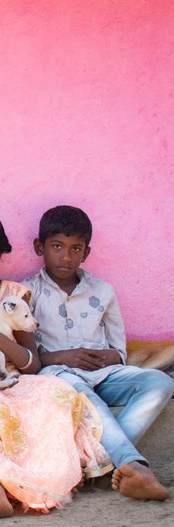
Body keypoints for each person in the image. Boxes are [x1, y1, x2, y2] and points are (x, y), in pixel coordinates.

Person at [0, 207, 112, 516]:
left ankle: (22, 486)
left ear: (0, 253)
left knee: (54, 392)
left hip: (19, 381)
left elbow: (33, 363)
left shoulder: (15, 293)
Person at [24, 205, 174, 501]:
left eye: (75, 248)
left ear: (86, 252)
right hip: (60, 376)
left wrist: (110, 357)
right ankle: (133, 464)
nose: (66, 257)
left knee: (160, 382)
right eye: (57, 246)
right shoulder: (27, 292)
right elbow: (27, 358)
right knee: (82, 393)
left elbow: (118, 349)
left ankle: (102, 463)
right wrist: (64, 357)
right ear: (39, 247)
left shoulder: (102, 291)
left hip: (103, 373)